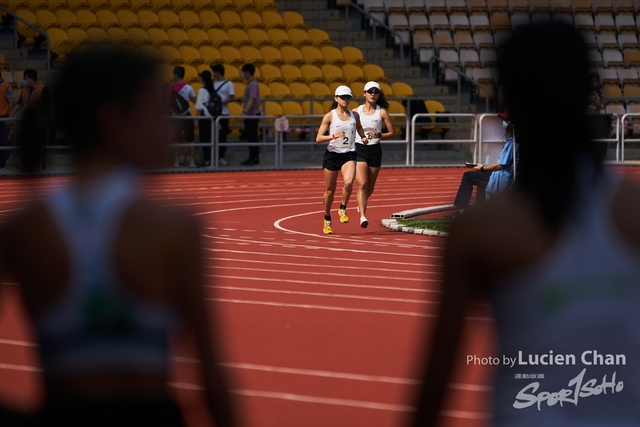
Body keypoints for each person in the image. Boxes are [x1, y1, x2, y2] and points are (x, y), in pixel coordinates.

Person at [412, 23, 640, 426]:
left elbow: (433, 392)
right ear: (588, 93)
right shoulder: (632, 209)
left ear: (510, 100)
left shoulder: (479, 231)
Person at [0, 47, 237, 427]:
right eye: (155, 113)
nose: (170, 127)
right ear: (114, 120)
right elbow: (212, 380)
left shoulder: (23, 229)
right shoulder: (173, 227)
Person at [316, 86, 368, 235]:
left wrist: (363, 137)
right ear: (336, 98)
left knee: (349, 182)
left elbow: (359, 128)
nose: (346, 100)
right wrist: (333, 136)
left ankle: (343, 207)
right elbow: (318, 138)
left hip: (349, 154)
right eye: (343, 97)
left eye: (348, 97)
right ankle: (327, 217)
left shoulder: (355, 115)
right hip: (332, 155)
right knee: (330, 191)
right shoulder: (329, 116)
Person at [448, 110, 517, 217]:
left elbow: (501, 165)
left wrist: (483, 168)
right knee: (480, 179)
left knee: (468, 176)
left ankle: (461, 212)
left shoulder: (514, 141)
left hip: (504, 178)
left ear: (512, 122)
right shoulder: (513, 139)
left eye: (505, 120)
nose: (503, 122)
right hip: (504, 175)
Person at [352, 81, 394, 228]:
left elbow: (392, 132)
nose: (373, 94)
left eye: (375, 91)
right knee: (362, 184)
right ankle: (363, 216)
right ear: (364, 93)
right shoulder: (355, 112)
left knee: (370, 188)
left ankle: (361, 202)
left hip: (375, 151)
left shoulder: (381, 112)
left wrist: (379, 134)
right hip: (360, 149)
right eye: (370, 91)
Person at [9, 69, 51, 171]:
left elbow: (47, 107)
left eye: (25, 78)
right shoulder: (24, 90)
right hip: (28, 121)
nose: (23, 80)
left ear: (31, 79)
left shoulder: (43, 89)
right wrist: (10, 116)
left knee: (39, 143)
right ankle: (28, 164)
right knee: (28, 143)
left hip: (39, 120)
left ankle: (42, 165)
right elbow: (19, 103)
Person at [166, 66, 196, 168]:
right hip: (187, 116)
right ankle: (192, 161)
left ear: (176, 75)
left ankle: (176, 161)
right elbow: (195, 101)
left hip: (176, 117)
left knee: (176, 139)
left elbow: (168, 102)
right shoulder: (189, 88)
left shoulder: (171, 88)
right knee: (191, 139)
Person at [211, 63, 235, 167]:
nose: (213, 73)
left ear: (218, 72)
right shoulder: (213, 83)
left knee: (223, 136)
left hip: (223, 113)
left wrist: (221, 103)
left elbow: (232, 97)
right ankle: (213, 157)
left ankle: (221, 157)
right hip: (214, 113)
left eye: (214, 71)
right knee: (213, 136)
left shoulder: (229, 84)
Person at [239, 63, 261, 166]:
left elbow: (252, 99)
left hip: (252, 114)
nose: (242, 74)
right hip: (250, 114)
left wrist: (244, 112)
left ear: (247, 72)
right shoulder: (251, 84)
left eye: (243, 72)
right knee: (250, 136)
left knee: (252, 137)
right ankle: (252, 157)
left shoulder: (252, 84)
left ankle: (254, 158)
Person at [0, 73, 13, 169]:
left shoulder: (6, 87)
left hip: (3, 118)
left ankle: (2, 162)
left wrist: (10, 117)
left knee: (2, 140)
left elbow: (11, 102)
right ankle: (7, 155)